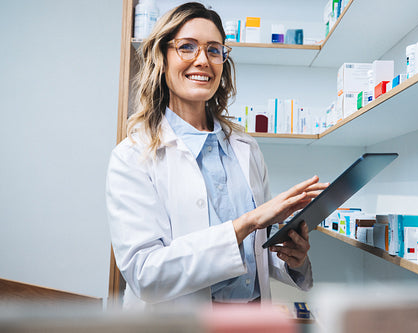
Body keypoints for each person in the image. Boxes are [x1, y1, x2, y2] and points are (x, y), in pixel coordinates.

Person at [106, 2, 328, 308]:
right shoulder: (133, 157)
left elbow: (257, 258)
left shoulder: (245, 148)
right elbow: (145, 274)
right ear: (162, 58)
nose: (202, 60)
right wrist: (246, 223)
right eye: (187, 47)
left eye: (213, 50)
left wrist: (293, 259)